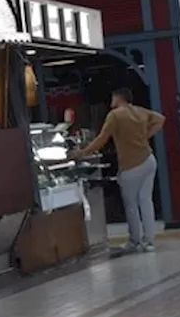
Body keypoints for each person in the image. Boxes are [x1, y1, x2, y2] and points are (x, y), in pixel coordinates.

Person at [70, 88, 165, 253]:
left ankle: (134, 241)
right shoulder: (139, 111)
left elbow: (102, 138)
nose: (111, 101)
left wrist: (83, 152)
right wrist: (145, 136)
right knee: (145, 201)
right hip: (148, 160)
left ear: (118, 98)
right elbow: (160, 120)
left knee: (131, 205)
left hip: (131, 165)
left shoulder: (115, 115)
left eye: (112, 98)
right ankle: (149, 241)